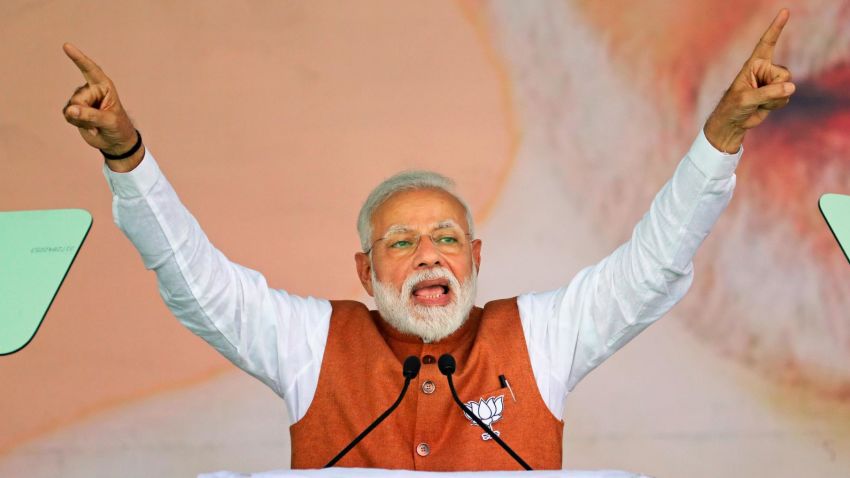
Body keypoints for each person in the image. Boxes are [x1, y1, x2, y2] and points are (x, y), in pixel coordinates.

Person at [61, 9, 795, 471]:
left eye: (446, 237)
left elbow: (653, 265)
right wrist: (128, 157)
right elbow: (196, 283)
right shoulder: (308, 342)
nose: (428, 254)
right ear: (365, 269)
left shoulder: (540, 335)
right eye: (401, 243)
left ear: (476, 260)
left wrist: (719, 139)